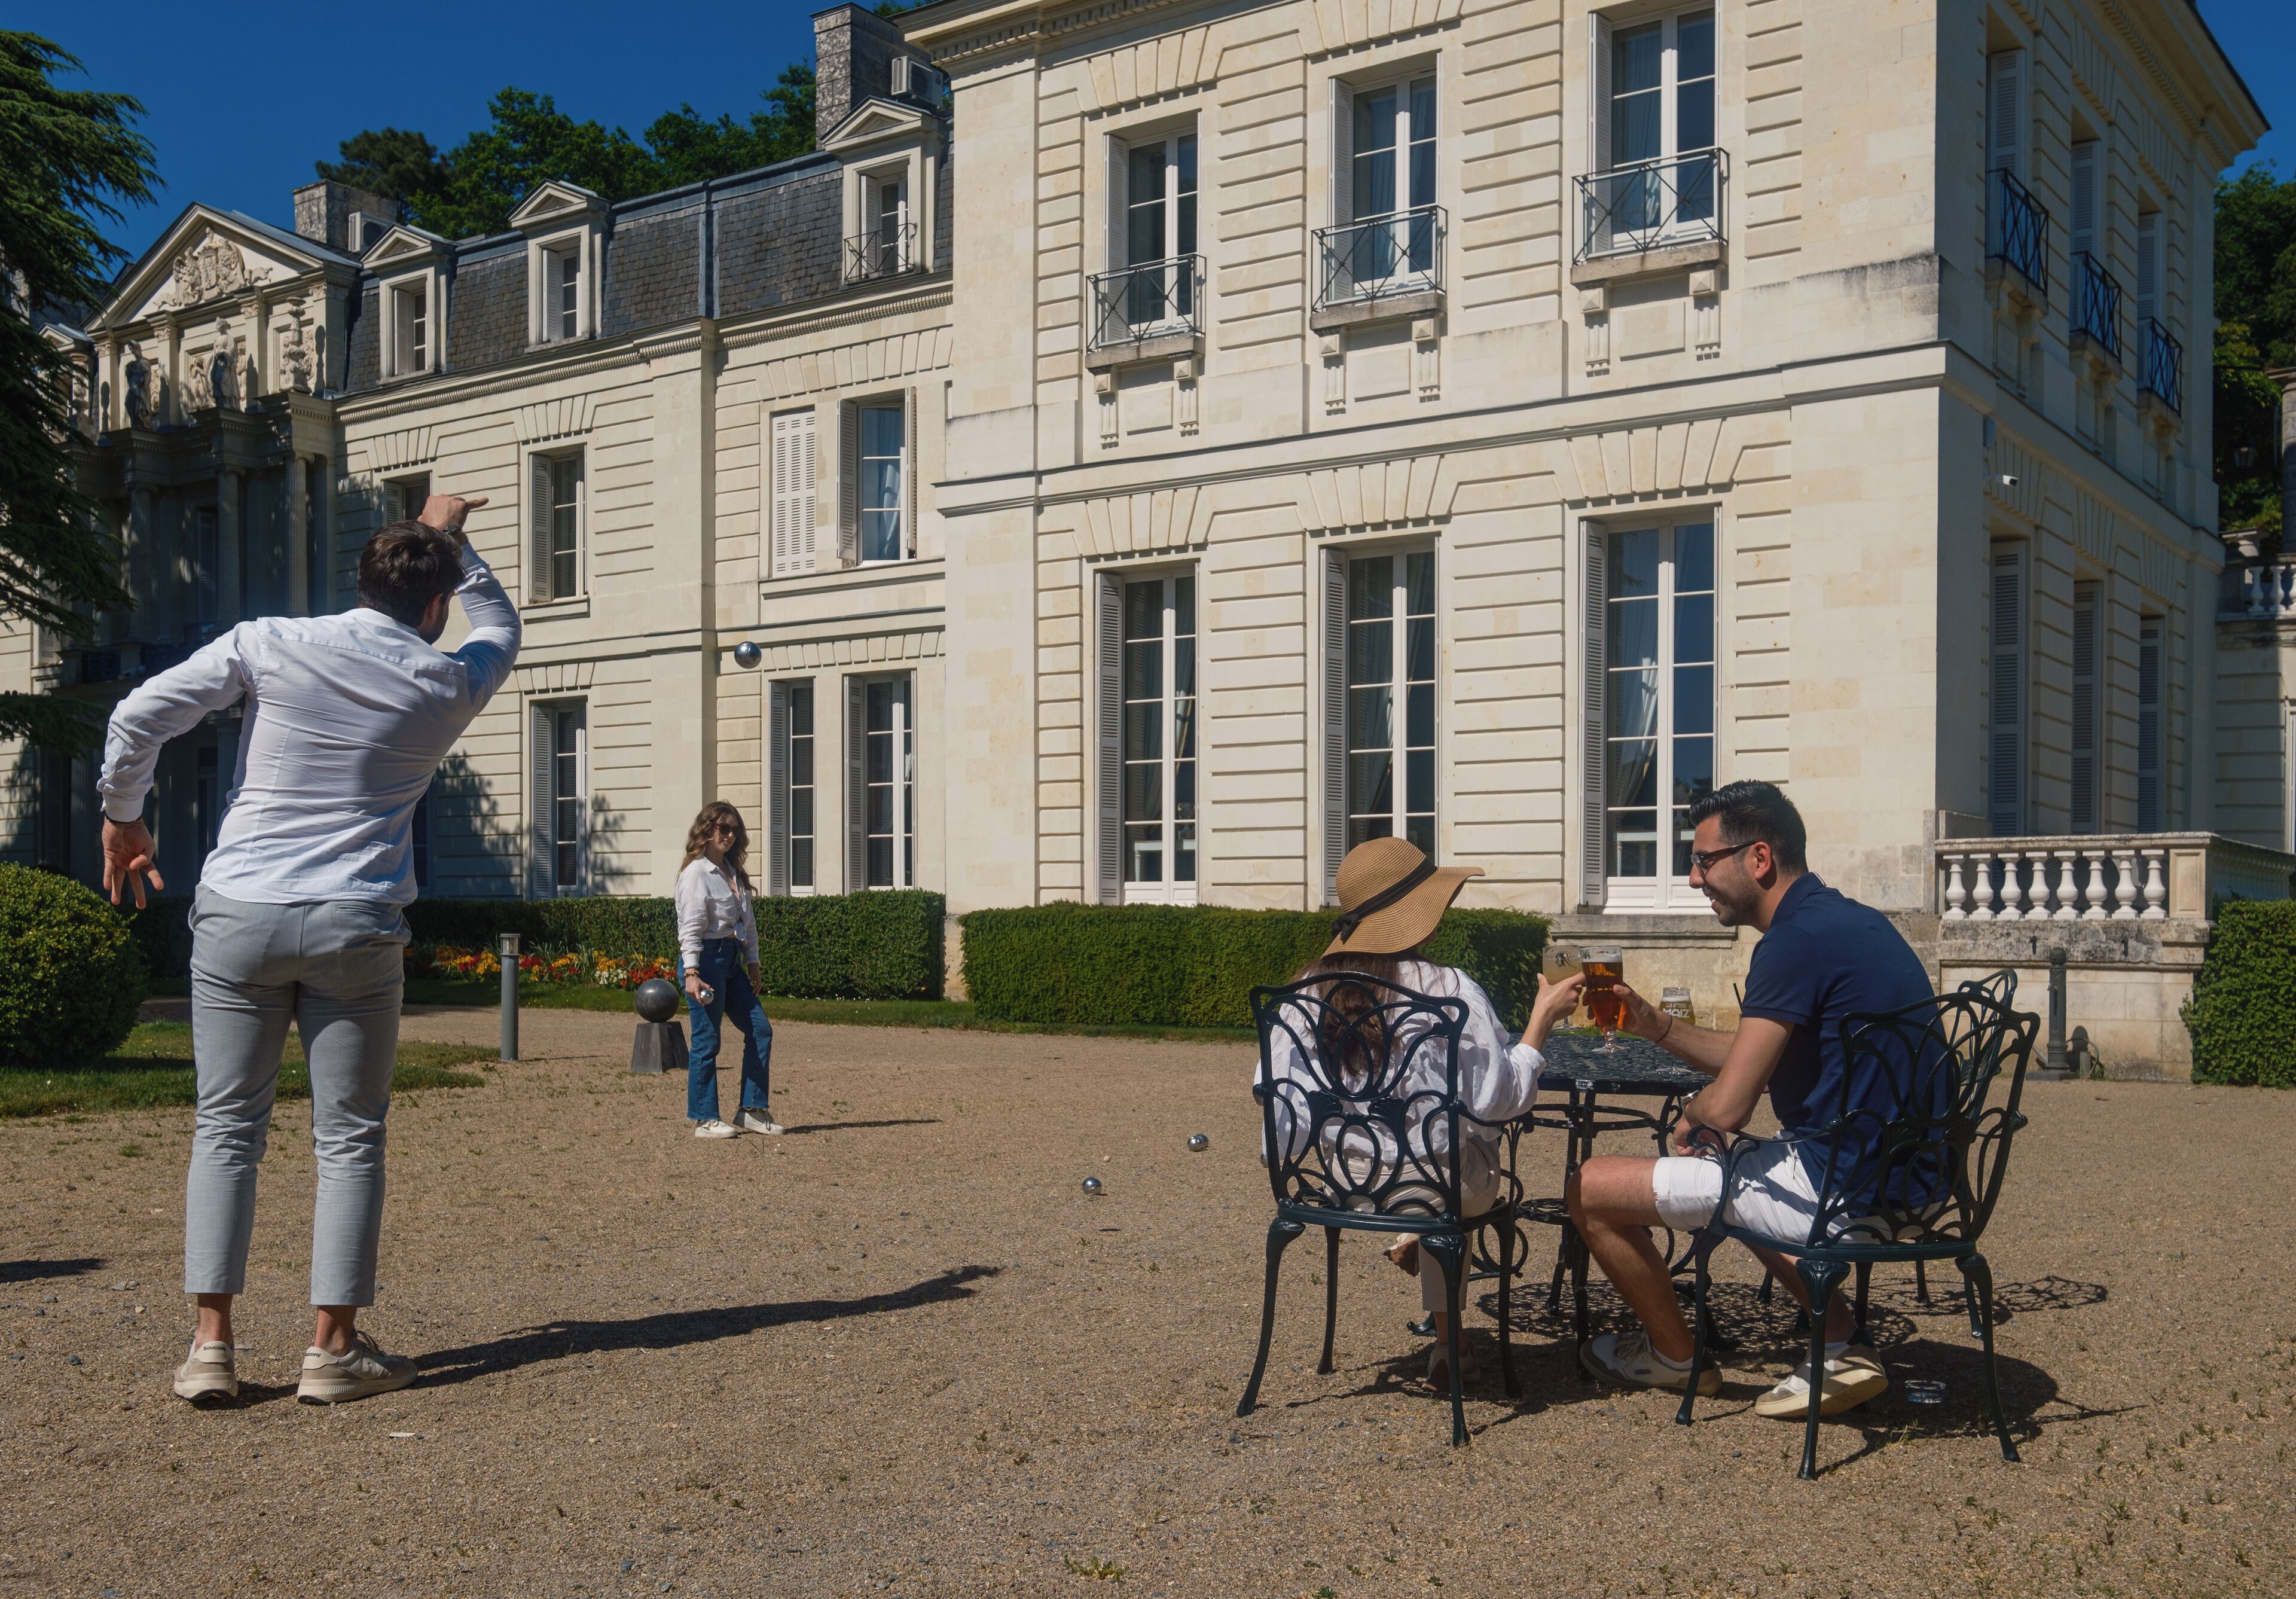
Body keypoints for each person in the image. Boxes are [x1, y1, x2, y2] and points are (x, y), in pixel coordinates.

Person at [98, 492, 517, 1408]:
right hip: (355, 919)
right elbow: (502, 621)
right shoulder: (453, 680)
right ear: (435, 605)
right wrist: (452, 536)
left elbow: (139, 715)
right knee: (351, 1139)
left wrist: (125, 816)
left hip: (242, 907)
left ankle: (211, 1345)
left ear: (360, 582)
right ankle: (332, 1349)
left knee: (227, 1128)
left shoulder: (270, 641)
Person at [1567, 780, 1935, 1418]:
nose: (1691, 878)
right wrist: (1655, 1025)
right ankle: (1844, 1342)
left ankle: (1674, 1356)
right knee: (1741, 1167)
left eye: (1704, 860)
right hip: (1918, 1178)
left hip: (1846, 1188)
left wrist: (1695, 1116)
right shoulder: (1846, 923)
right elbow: (1755, 1058)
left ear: (1758, 858)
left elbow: (1732, 1102)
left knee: (1589, 1187)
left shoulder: (1790, 943)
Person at [1262, 837, 1583, 1389]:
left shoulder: (1300, 993)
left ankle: (1439, 1306)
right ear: (1421, 918)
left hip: (1336, 1184)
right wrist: (1541, 1022)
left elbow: (1280, 1126)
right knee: (1460, 1155)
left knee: (1440, 1161)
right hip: (1436, 1187)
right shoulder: (1449, 988)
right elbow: (1497, 1099)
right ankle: (1445, 1329)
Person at [674, 801, 781, 1139]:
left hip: (731, 963)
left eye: (735, 829)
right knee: (708, 1040)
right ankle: (705, 1119)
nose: (731, 835)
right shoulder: (695, 875)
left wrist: (753, 962)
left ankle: (751, 1110)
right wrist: (691, 973)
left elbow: (747, 925)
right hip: (704, 963)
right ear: (706, 830)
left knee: (760, 1030)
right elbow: (689, 929)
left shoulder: (733, 873)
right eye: (724, 828)